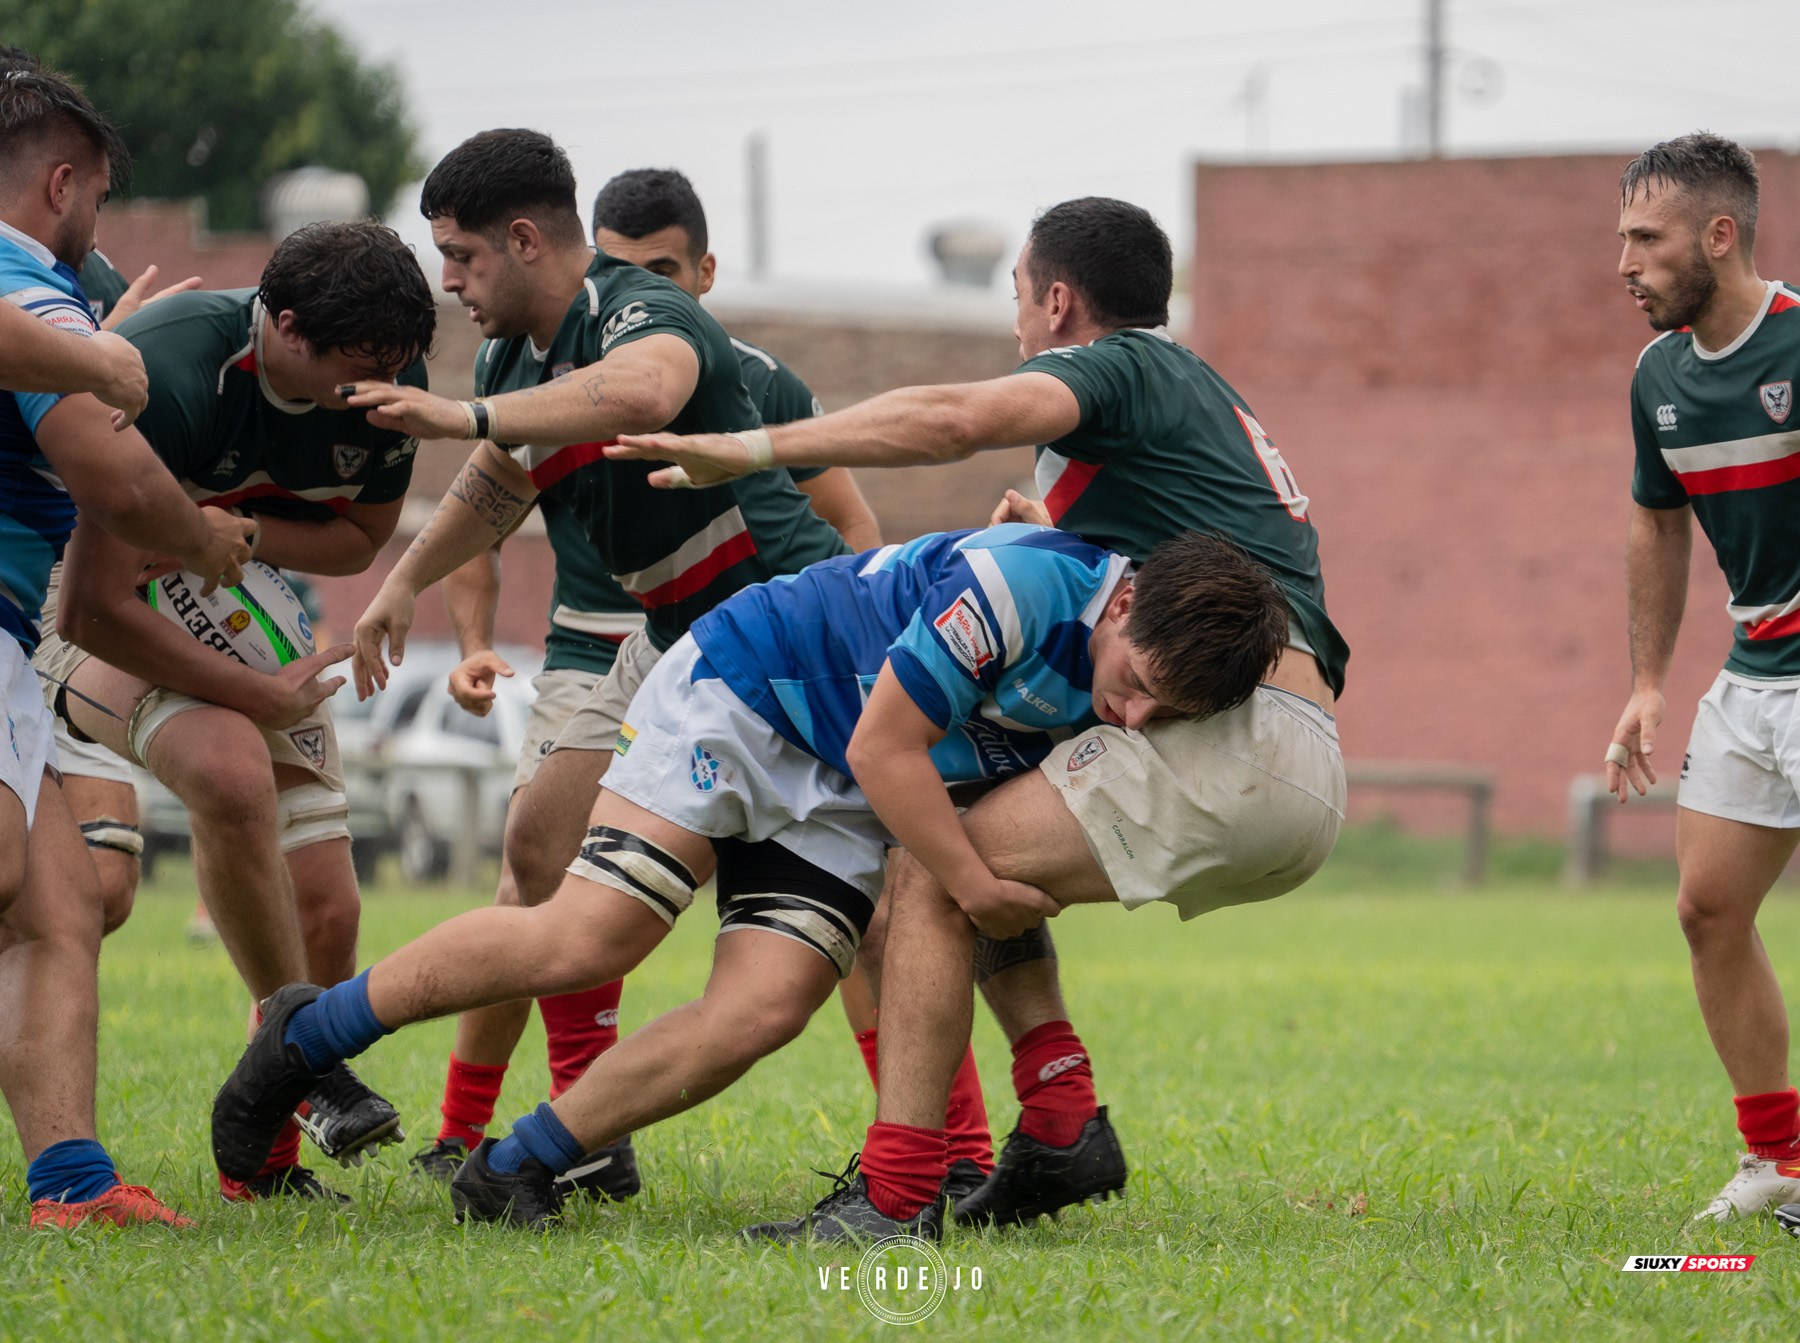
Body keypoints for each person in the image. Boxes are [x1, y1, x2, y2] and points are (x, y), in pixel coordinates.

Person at [610, 194, 1349, 1240]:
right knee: (969, 814)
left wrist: (754, 447)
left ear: (1056, 300)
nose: (1017, 323)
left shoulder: (1120, 367)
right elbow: (1174, 574)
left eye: (1017, 296)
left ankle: (898, 1196)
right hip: (1289, 755)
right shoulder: (1198, 397)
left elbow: (954, 420)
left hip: (1236, 733)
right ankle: (1058, 1119)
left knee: (931, 867)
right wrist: (1057, 534)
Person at [211, 523, 1290, 1230]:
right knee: (591, 935)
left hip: (836, 789)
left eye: (1165, 714)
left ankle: (518, 1166)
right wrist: (977, 882)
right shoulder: (1020, 587)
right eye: (1137, 682)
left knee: (764, 1009)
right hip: (745, 691)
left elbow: (882, 778)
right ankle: (302, 1037)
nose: (1133, 716)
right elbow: (886, 748)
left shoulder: (1141, 659)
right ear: (1123, 601)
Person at [299, 126, 853, 1183]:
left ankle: (947, 1147)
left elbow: (639, 395)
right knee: (540, 844)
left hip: (785, 631)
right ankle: (583, 1135)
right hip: (672, 638)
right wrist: (406, 581)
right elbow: (503, 481)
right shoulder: (516, 357)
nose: (450, 281)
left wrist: (461, 412)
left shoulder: (645, 309)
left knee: (863, 909)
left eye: (459, 256)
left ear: (520, 240)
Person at [39, 220, 438, 1203]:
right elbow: (92, 602)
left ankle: (260, 1163)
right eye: (354, 370)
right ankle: (309, 1063)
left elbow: (358, 539)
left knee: (330, 905)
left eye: (389, 367)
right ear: (286, 329)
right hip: (67, 602)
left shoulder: (384, 369)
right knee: (223, 764)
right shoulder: (170, 366)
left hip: (234, 597)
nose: (372, 391)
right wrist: (256, 690)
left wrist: (244, 533)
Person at [0, 64, 254, 1228]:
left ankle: (69, 1182)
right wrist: (197, 535)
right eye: (94, 199)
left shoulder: (43, 297)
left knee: (58, 908)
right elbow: (109, 469)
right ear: (64, 184)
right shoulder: (29, 281)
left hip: (8, 638)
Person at [1603, 133, 1800, 1229]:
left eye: (1644, 238)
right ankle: (1778, 1161)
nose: (1622, 262)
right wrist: (1646, 680)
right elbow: (1655, 514)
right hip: (1754, 669)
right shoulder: (1659, 376)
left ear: (1719, 236)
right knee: (1708, 907)